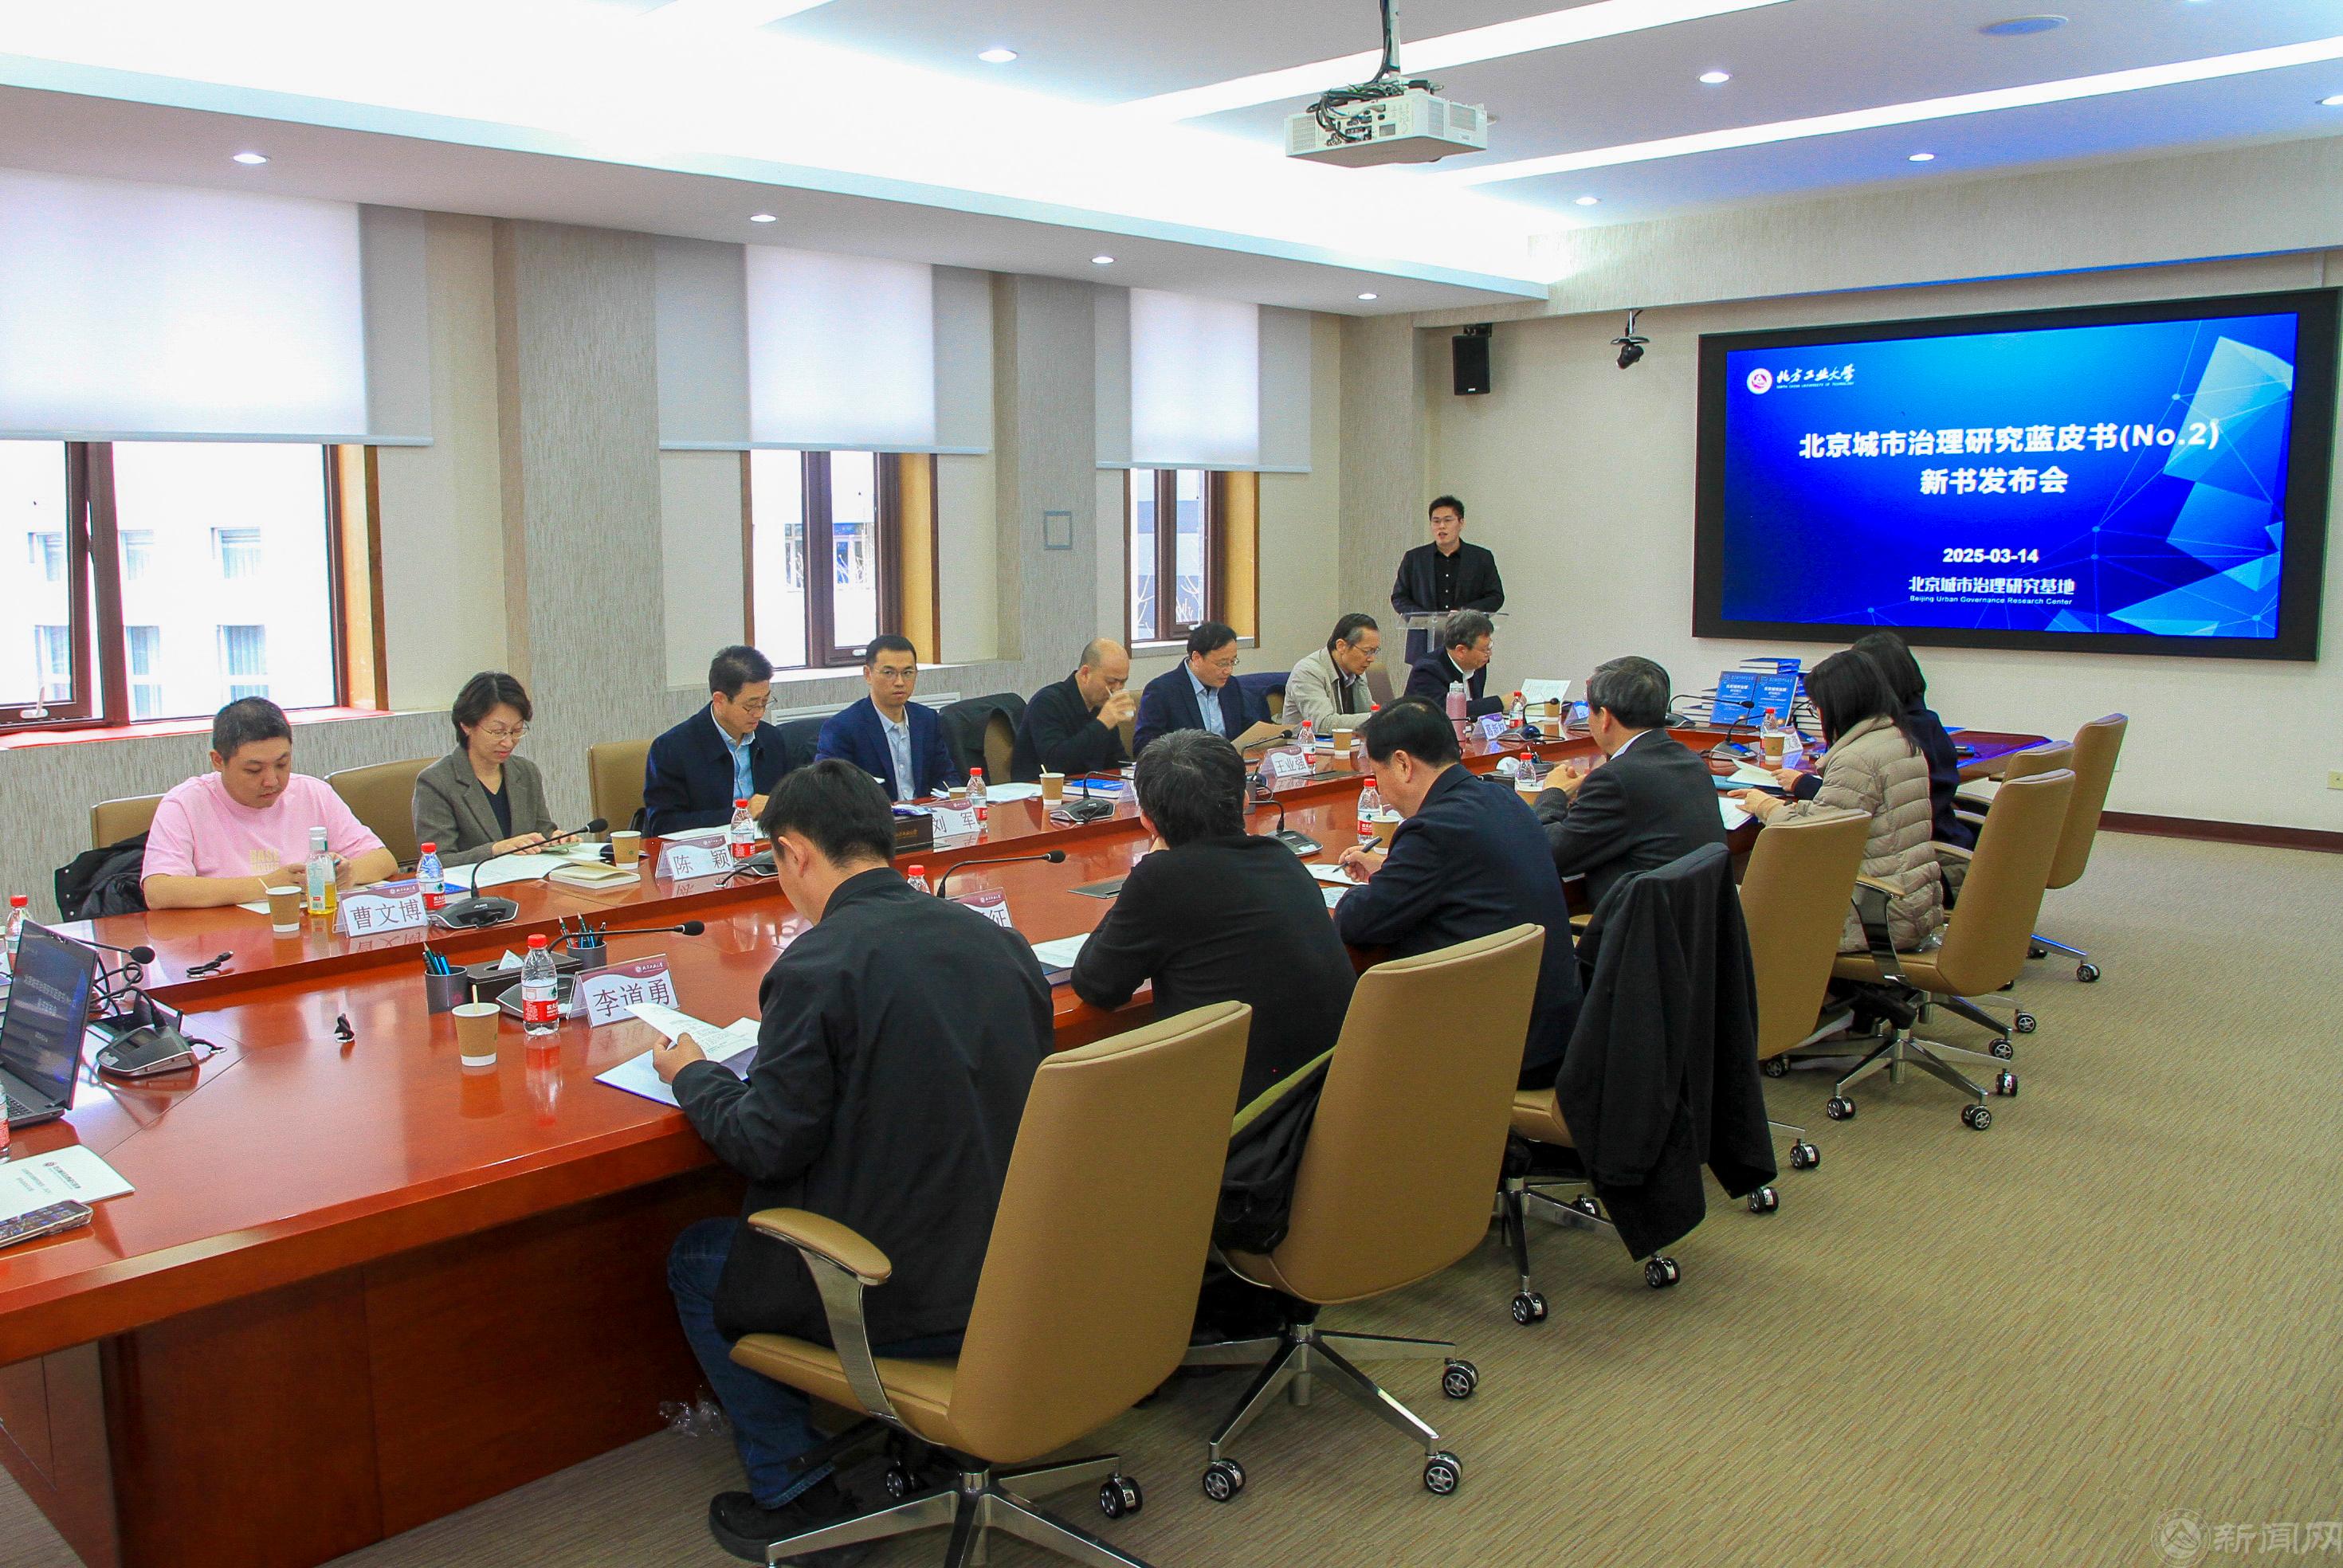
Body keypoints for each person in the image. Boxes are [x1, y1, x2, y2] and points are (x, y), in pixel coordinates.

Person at [656, 760, 1050, 1561]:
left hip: (901, 1285)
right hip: (1018, 1264)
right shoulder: (999, 942)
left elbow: (765, 1143)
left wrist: (693, 1075)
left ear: (796, 852)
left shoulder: (818, 965)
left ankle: (796, 1491)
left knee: (697, 1258)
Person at [1072, 730, 1354, 1108]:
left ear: (1148, 821)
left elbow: (1096, 985)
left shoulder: (1164, 879)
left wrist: (1149, 865)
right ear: (1244, 801)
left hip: (1248, 1124)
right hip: (1330, 1104)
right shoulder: (1280, 858)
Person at [1334, 700, 1580, 1088]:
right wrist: (1395, 870)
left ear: (1402, 764)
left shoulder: (1433, 829)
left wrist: (1363, 890)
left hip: (1498, 1052)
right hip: (1552, 1032)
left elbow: (1358, 923)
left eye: (1377, 774)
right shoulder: (1502, 799)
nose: (1381, 791)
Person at [1737, 650, 1945, 952]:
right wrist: (1791, 808)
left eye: (1817, 706)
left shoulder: (1857, 759)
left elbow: (1814, 838)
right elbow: (1841, 813)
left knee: (1742, 900)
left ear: (1840, 704)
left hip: (1873, 914)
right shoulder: (1899, 740)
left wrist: (1765, 806)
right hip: (1910, 904)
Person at [141, 697, 396, 910]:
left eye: (282, 764)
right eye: (254, 770)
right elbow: (159, 891)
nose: (272, 781)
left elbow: (383, 860)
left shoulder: (312, 792)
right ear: (218, 761)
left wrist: (348, 873)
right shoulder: (185, 803)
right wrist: (267, 885)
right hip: (226, 940)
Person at [1534, 657, 1730, 914]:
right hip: (1692, 924)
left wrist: (1553, 793)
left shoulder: (1616, 780)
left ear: (1604, 717)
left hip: (1635, 929)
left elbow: (1545, 855)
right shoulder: (1690, 761)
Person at [1835, 630, 1976, 852]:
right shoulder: (1927, 722)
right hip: (1946, 838)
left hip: (1921, 852)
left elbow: (1852, 802)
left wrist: (1801, 784)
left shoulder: (1895, 736)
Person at [411, 671, 560, 867]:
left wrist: (557, 840)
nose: (508, 742)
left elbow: (543, 832)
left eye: (516, 731)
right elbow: (439, 860)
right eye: (498, 732)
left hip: (529, 880)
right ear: (466, 725)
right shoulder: (436, 782)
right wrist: (495, 850)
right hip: (475, 885)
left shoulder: (526, 772)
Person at [645, 645, 791, 837]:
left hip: (764, 847)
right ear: (719, 700)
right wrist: (741, 814)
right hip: (704, 849)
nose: (759, 713)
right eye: (751, 705)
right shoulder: (671, 748)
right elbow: (664, 824)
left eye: (764, 702)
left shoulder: (771, 739)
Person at [814, 634, 957, 802]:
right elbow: (830, 791)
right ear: (868, 674)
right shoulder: (842, 728)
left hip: (927, 813)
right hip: (875, 815)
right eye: (889, 673)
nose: (900, 682)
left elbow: (947, 776)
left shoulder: (927, 720)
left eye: (908, 672)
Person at [1391, 494, 1503, 665]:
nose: (1441, 526)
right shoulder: (1414, 558)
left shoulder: (1481, 558)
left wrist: (1464, 614)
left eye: (1448, 520)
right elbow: (1399, 597)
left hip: (1469, 641)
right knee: (1426, 683)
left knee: (1469, 683)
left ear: (1461, 523)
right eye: (1436, 521)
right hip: (1425, 642)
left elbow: (1495, 597)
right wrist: (1426, 618)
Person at [1010, 637, 1135, 782]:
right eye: (1111, 681)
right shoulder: (1047, 703)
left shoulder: (1101, 705)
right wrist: (1102, 724)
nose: (1117, 689)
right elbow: (1056, 763)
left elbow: (1116, 762)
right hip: (1041, 790)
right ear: (1085, 674)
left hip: (1092, 788)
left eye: (1123, 682)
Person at [1132, 621, 1254, 754]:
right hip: (1187, 765)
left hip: (1230, 763)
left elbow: (1246, 729)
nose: (1229, 670)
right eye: (1222, 663)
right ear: (1197, 658)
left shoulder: (1231, 686)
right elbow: (1144, 747)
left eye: (1233, 662)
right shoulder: (1162, 691)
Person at [1283, 613, 1381, 734]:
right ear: (1341, 646)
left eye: (1374, 651)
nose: (1372, 659)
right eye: (1367, 651)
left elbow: (1367, 712)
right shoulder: (1307, 671)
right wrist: (1378, 719)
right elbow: (1323, 725)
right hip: (1307, 744)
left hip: (1348, 743)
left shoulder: (1356, 672)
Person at [1403, 609, 1503, 719]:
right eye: (1485, 649)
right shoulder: (1427, 670)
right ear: (1461, 651)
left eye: (1490, 647)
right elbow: (1444, 713)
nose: (1489, 654)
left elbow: (1474, 712)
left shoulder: (1476, 667)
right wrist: (1500, 703)